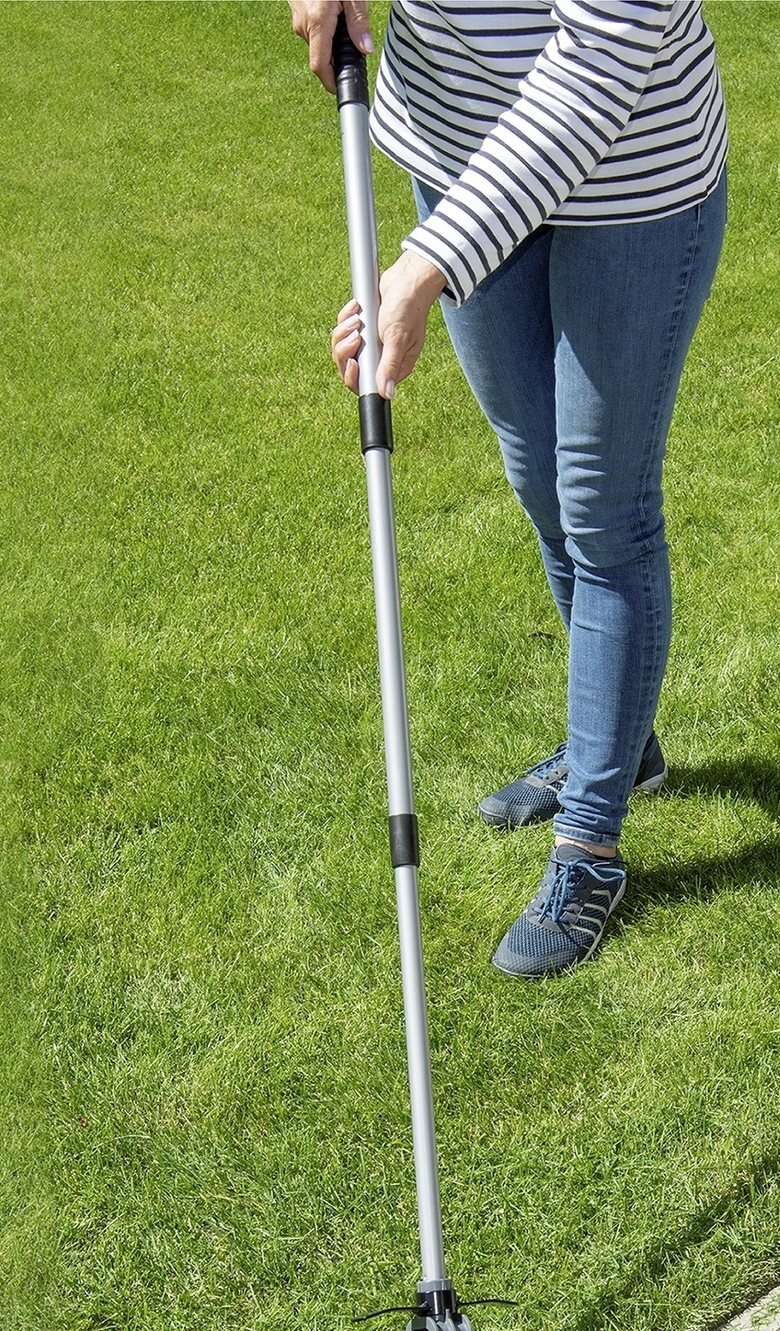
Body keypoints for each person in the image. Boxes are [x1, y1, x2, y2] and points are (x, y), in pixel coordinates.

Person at [290, 0, 728, 976]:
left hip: (630, 180)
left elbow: (605, 51)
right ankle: (619, 740)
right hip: (458, 149)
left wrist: (431, 263)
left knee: (603, 511)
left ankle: (590, 843)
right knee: (539, 475)